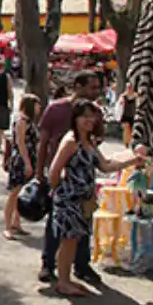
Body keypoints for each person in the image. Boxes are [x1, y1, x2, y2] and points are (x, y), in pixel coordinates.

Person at [48, 100, 142, 296]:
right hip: (70, 199)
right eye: (85, 116)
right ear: (75, 118)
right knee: (69, 240)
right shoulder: (71, 141)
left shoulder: (88, 141)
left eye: (92, 116)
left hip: (85, 201)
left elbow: (106, 165)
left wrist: (133, 160)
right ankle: (63, 281)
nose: (89, 120)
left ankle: (65, 278)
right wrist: (61, 192)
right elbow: (54, 172)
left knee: (74, 240)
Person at [35, 71, 104, 284]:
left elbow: (96, 144)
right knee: (57, 224)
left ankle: (81, 265)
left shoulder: (95, 112)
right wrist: (40, 174)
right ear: (77, 85)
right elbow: (44, 142)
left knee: (83, 225)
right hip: (61, 179)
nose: (95, 92)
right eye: (91, 87)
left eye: (97, 87)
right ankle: (48, 265)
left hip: (83, 181)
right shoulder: (56, 109)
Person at [4, 94, 40, 240]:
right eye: (37, 105)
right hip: (20, 160)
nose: (39, 108)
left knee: (21, 193)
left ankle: (16, 222)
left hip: (29, 158)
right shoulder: (22, 121)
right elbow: (21, 143)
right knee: (14, 192)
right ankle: (7, 226)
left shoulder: (29, 120)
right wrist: (27, 162)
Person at [119, 82, 137, 147]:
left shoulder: (136, 96)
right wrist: (121, 103)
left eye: (130, 87)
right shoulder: (123, 96)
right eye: (128, 87)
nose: (129, 89)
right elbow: (119, 105)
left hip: (133, 115)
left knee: (132, 130)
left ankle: (131, 142)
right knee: (126, 129)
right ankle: (126, 143)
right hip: (125, 115)